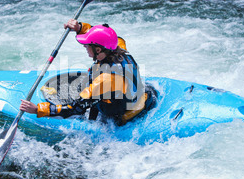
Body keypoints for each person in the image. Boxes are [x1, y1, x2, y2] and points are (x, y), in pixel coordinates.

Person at [19, 19, 156, 125]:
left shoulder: (105, 81)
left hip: (121, 113)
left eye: (87, 45)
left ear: (98, 50)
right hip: (140, 95)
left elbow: (75, 109)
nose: (85, 46)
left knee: (87, 102)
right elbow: (105, 36)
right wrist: (79, 27)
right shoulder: (117, 47)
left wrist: (37, 110)